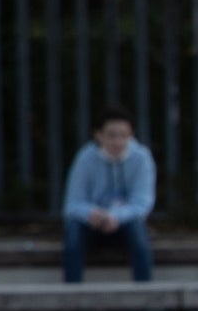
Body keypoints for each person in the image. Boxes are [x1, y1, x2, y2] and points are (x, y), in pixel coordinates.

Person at [60, 107, 157, 281]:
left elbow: (142, 202)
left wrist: (115, 216)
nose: (117, 141)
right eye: (111, 135)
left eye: (123, 135)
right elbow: (73, 203)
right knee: (73, 234)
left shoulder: (141, 158)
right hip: (91, 224)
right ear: (98, 135)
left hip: (125, 223)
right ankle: (72, 291)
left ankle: (145, 291)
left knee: (139, 233)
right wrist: (92, 214)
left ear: (131, 135)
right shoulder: (85, 158)